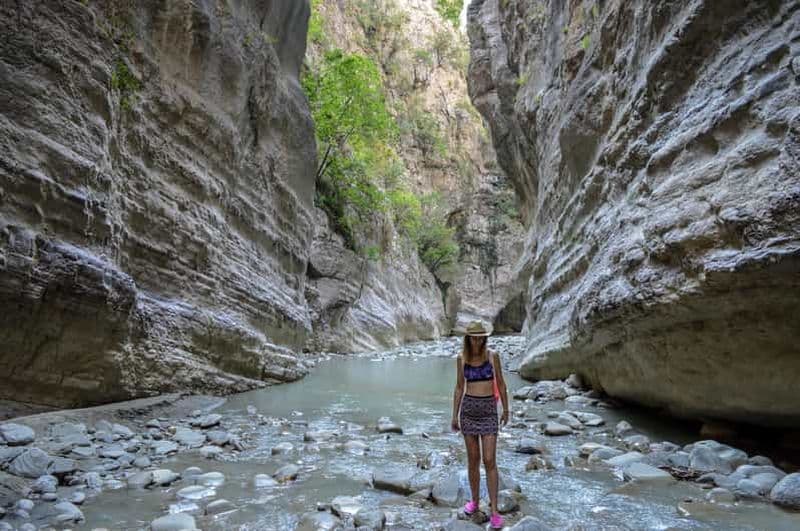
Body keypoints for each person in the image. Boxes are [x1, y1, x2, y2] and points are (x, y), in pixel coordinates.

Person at [451, 320, 509, 529]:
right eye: (473, 337)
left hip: (488, 411)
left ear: (485, 338)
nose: (477, 341)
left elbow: (501, 384)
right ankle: (475, 502)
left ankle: (494, 510)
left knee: (490, 460)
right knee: (473, 460)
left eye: (480, 337)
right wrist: (454, 415)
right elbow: (459, 387)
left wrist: (506, 409)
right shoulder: (462, 358)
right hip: (468, 411)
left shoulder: (493, 356)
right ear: (468, 338)